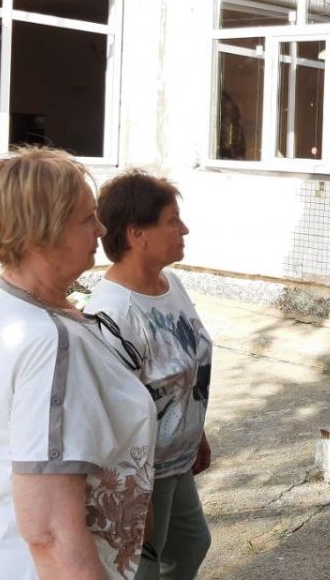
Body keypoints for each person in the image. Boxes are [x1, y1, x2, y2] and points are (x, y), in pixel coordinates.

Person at [0, 147, 157, 580]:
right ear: (39, 236)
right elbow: (50, 534)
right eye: (86, 219)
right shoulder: (46, 342)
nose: (101, 229)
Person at [87, 170, 214, 580]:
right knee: (144, 567)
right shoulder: (114, 313)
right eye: (172, 220)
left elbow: (187, 370)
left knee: (191, 544)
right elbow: (113, 415)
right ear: (137, 233)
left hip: (178, 459)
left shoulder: (170, 284)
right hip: (144, 472)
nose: (185, 229)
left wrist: (198, 433)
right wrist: (135, 493)